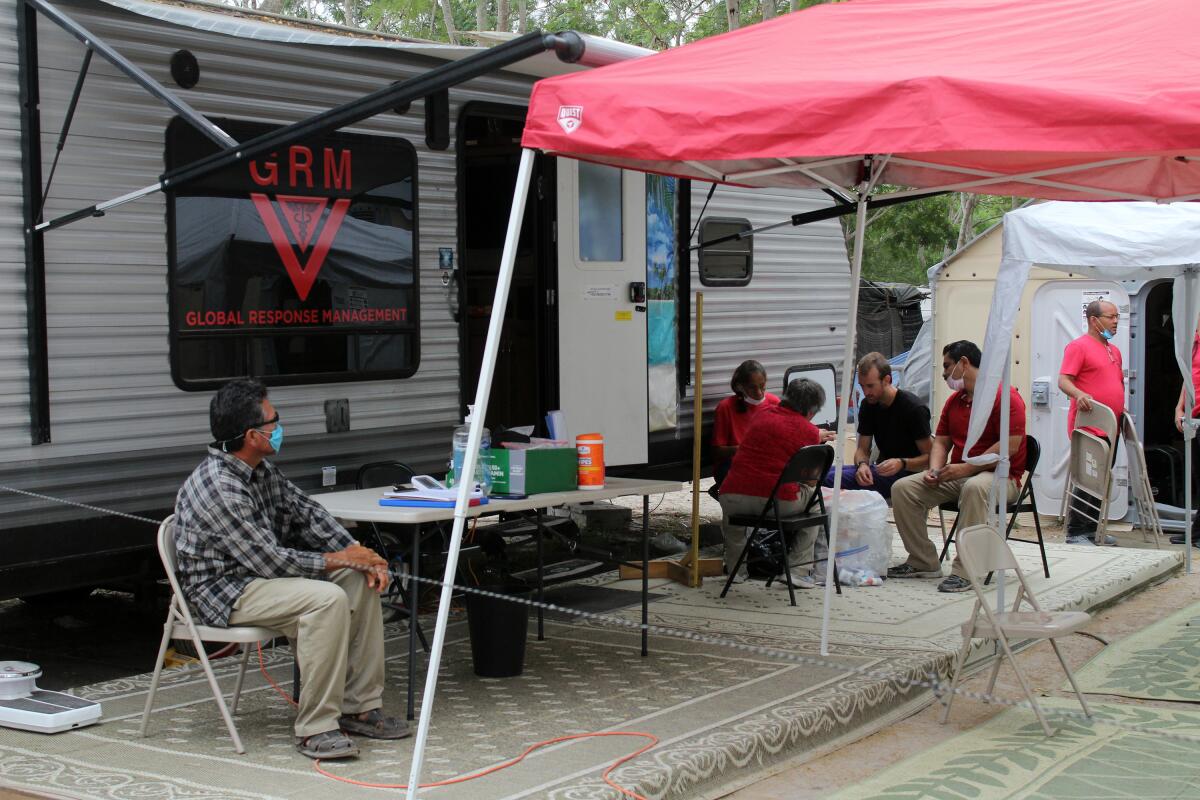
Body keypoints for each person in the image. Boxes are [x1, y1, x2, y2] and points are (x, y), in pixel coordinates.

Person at [174, 379, 409, 760]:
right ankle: (315, 727)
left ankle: (359, 707)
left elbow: (307, 513)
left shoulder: (260, 469)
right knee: (326, 598)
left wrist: (357, 552)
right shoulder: (219, 486)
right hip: (225, 592)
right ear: (252, 435)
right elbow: (271, 561)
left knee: (357, 580)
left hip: (260, 580)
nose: (280, 427)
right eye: (274, 421)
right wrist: (346, 557)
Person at [888, 340, 1027, 593]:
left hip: (1001, 478)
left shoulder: (1006, 397)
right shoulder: (955, 401)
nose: (943, 374)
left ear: (964, 363)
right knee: (903, 488)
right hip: (960, 474)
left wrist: (967, 468)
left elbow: (1011, 446)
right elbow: (941, 442)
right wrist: (934, 469)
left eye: (947, 366)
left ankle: (966, 570)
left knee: (974, 487)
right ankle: (923, 561)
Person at [719, 378, 828, 588]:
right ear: (811, 411)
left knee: (733, 520)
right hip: (777, 503)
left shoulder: (762, 414)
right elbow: (811, 479)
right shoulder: (808, 431)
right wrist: (816, 435)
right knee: (816, 502)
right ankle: (797, 571)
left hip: (731, 495)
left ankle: (736, 570)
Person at [1058, 299, 1125, 544]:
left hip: (1111, 426)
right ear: (1094, 320)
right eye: (1111, 317)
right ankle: (1076, 532)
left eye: (1117, 316)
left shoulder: (1113, 350)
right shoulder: (1078, 347)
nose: (1116, 321)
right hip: (1089, 426)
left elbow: (1113, 383)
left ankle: (1092, 529)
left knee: (1101, 479)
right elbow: (1064, 380)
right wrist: (1078, 394)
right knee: (1088, 478)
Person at [823, 352, 932, 500]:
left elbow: (930, 458)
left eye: (870, 386)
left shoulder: (913, 408)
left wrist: (902, 463)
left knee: (824, 480)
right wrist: (862, 465)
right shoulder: (868, 405)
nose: (866, 392)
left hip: (910, 475)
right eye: (862, 386)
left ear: (886, 380)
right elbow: (862, 449)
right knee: (819, 472)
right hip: (882, 469)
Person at [710, 360, 780, 498]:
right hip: (733, 464)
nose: (759, 393)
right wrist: (742, 449)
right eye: (753, 388)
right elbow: (716, 451)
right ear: (741, 387)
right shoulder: (726, 407)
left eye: (762, 387)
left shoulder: (774, 402)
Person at [1172, 316, 1200, 547]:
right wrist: (1179, 406)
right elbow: (1188, 376)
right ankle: (1197, 531)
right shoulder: (1194, 343)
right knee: (1197, 477)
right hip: (1194, 417)